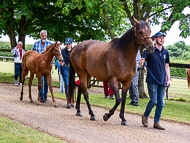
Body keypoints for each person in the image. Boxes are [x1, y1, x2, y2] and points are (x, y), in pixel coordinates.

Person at [139, 31, 171, 130]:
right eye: (160, 37)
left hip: (162, 81)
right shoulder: (149, 50)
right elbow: (142, 63)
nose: (162, 39)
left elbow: (166, 66)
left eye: (163, 37)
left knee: (161, 103)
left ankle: (156, 122)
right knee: (153, 101)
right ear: (155, 39)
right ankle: (145, 115)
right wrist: (141, 63)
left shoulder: (166, 52)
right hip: (152, 80)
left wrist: (168, 79)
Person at [31, 30, 52, 103]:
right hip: (39, 67)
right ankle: (41, 95)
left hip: (47, 67)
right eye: (43, 35)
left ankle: (45, 94)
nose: (44, 37)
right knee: (41, 80)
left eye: (45, 36)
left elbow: (52, 55)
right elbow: (32, 53)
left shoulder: (50, 44)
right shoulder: (36, 44)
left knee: (46, 81)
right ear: (40, 36)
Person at [60, 38, 74, 106]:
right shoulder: (63, 51)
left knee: (71, 85)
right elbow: (59, 59)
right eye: (66, 44)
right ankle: (68, 101)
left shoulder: (74, 51)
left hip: (72, 69)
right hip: (65, 68)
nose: (67, 45)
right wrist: (61, 62)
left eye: (69, 44)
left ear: (71, 44)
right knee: (67, 84)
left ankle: (71, 100)